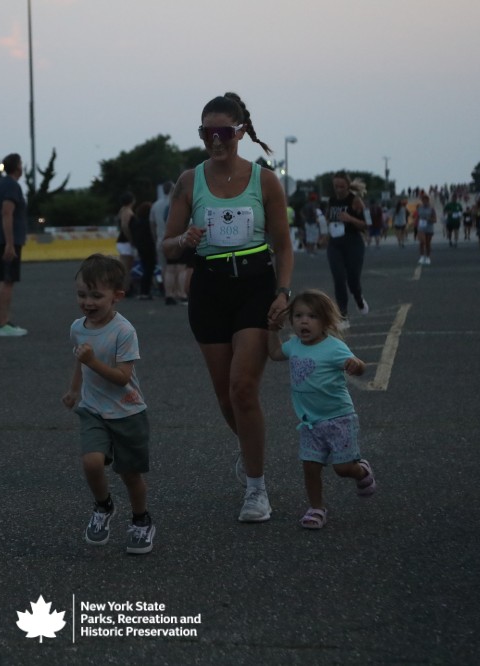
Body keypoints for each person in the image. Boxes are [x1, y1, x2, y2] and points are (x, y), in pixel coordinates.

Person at [162, 92, 294, 523]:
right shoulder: (189, 181)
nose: (215, 141)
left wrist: (283, 292)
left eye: (222, 132)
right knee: (224, 397)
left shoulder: (265, 181)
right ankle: (250, 451)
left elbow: (284, 245)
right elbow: (166, 246)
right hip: (209, 290)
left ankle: (256, 489)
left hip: (255, 286)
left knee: (242, 388)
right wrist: (183, 240)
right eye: (206, 133)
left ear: (240, 132)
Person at [62, 253, 155, 555]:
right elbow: (80, 360)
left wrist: (92, 361)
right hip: (93, 409)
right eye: (81, 294)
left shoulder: (124, 331)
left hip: (127, 412)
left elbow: (122, 377)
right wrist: (74, 390)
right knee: (91, 462)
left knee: (130, 476)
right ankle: (103, 506)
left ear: (117, 296)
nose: (87, 302)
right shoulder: (78, 327)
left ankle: (141, 520)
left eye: (96, 296)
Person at [267, 289, 376, 529]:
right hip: (310, 422)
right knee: (310, 467)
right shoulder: (294, 345)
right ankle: (316, 508)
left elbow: (360, 367)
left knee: (342, 468)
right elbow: (274, 354)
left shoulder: (334, 347)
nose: (304, 321)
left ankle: (360, 471)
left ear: (325, 321)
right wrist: (272, 330)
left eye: (312, 316)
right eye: (298, 316)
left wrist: (355, 365)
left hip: (339, 418)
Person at [0, 153, 28, 336]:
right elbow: (7, 213)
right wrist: (10, 244)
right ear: (18, 167)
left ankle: (1, 322)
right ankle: (2, 324)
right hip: (6, 241)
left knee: (3, 280)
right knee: (8, 281)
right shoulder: (12, 185)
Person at [325, 173, 370, 327]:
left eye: (342, 186)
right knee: (338, 279)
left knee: (352, 280)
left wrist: (350, 219)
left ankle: (359, 299)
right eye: (336, 186)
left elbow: (366, 224)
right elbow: (328, 218)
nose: (338, 190)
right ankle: (343, 316)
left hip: (353, 244)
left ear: (348, 186)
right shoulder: (331, 200)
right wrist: (324, 229)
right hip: (335, 244)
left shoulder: (355, 200)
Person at [130, 201, 156, 299]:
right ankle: (145, 292)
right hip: (149, 248)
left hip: (140, 248)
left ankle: (143, 291)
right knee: (149, 269)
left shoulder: (136, 223)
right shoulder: (148, 223)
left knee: (145, 269)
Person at [150, 181, 173, 292]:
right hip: (174, 240)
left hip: (160, 239)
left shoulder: (155, 205)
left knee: (164, 267)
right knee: (176, 268)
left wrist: (155, 238)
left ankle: (166, 290)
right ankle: (175, 291)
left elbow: (152, 224)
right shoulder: (175, 202)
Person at [115, 192, 136, 296]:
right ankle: (125, 289)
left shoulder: (122, 210)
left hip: (122, 241)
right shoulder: (127, 212)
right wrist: (131, 239)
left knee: (125, 267)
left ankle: (125, 287)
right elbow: (125, 226)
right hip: (125, 242)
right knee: (126, 268)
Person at [413, 191, 437, 265]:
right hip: (421, 227)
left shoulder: (431, 209)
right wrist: (415, 225)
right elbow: (417, 217)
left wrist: (429, 219)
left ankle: (428, 257)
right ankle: (422, 256)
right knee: (421, 242)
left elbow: (435, 220)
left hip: (429, 227)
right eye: (423, 200)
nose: (424, 201)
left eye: (426, 200)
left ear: (428, 200)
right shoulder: (419, 208)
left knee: (427, 243)